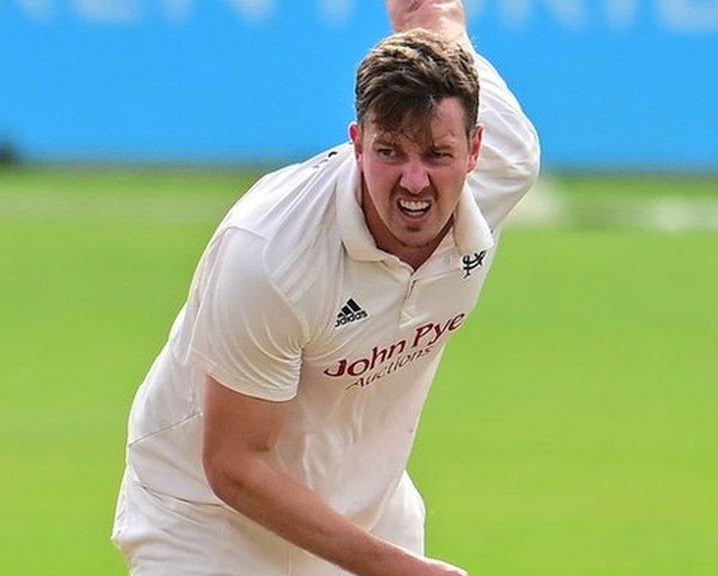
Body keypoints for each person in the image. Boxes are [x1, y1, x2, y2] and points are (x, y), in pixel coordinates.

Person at [110, 1, 540, 574]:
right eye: (390, 152)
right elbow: (234, 464)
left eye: (438, 154)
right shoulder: (272, 255)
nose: (415, 182)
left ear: (476, 149)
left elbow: (435, 19)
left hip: (364, 498)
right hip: (206, 518)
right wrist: (400, 568)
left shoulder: (506, 164)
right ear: (358, 143)